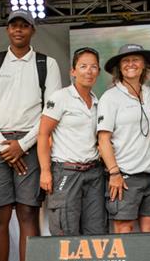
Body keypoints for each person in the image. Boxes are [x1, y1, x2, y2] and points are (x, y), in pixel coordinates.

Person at [0, 9, 62, 261]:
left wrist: (22, 144)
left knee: (28, 215)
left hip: (30, 142)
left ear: (33, 31)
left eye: (25, 25)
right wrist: (3, 145)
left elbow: (51, 109)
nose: (19, 30)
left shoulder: (46, 64)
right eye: (14, 25)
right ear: (7, 29)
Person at [96, 44, 150, 234]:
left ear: (144, 64)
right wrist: (114, 173)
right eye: (125, 61)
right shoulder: (110, 97)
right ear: (119, 67)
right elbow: (103, 140)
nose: (130, 64)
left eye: (135, 59)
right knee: (123, 231)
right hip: (124, 176)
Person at [38, 47, 106, 236]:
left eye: (93, 67)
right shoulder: (60, 97)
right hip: (66, 172)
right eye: (83, 66)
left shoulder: (98, 101)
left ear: (98, 72)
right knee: (65, 232)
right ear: (73, 71)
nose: (89, 71)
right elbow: (43, 134)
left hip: (93, 173)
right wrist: (45, 171)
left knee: (96, 233)